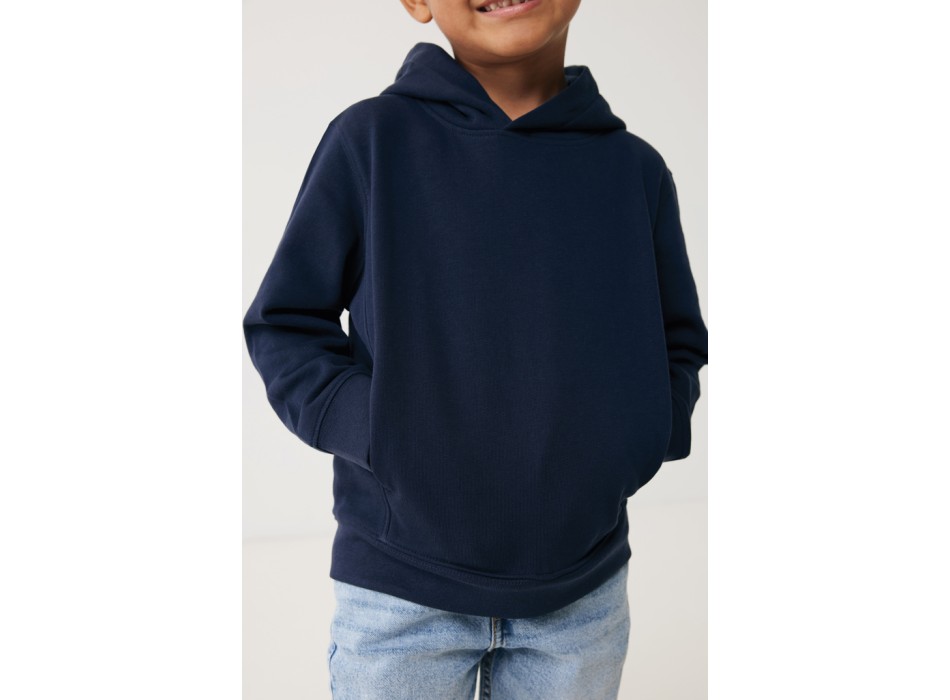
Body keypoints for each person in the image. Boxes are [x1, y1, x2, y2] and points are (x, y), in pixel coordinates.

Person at [243, 0, 708, 697]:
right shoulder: (371, 141)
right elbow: (285, 321)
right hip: (400, 594)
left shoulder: (635, 171)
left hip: (582, 601)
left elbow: (676, 337)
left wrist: (635, 438)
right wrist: (380, 431)